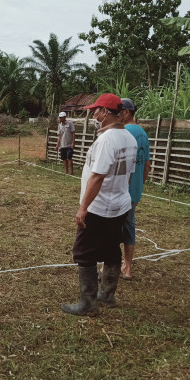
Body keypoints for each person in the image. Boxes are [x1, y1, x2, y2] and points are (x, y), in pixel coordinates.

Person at [61, 93, 137, 316]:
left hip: (100, 207)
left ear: (105, 112)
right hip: (120, 206)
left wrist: (83, 207)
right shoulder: (129, 138)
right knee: (112, 249)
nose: (94, 115)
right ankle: (107, 293)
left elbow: (97, 177)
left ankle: (88, 303)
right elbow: (129, 175)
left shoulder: (106, 140)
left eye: (96, 111)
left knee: (84, 252)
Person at [119, 98, 151, 280]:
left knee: (113, 229)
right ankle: (128, 267)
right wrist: (139, 184)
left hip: (121, 190)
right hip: (135, 190)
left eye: (118, 112)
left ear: (126, 112)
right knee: (130, 226)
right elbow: (147, 165)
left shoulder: (123, 132)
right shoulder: (143, 134)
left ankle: (112, 266)